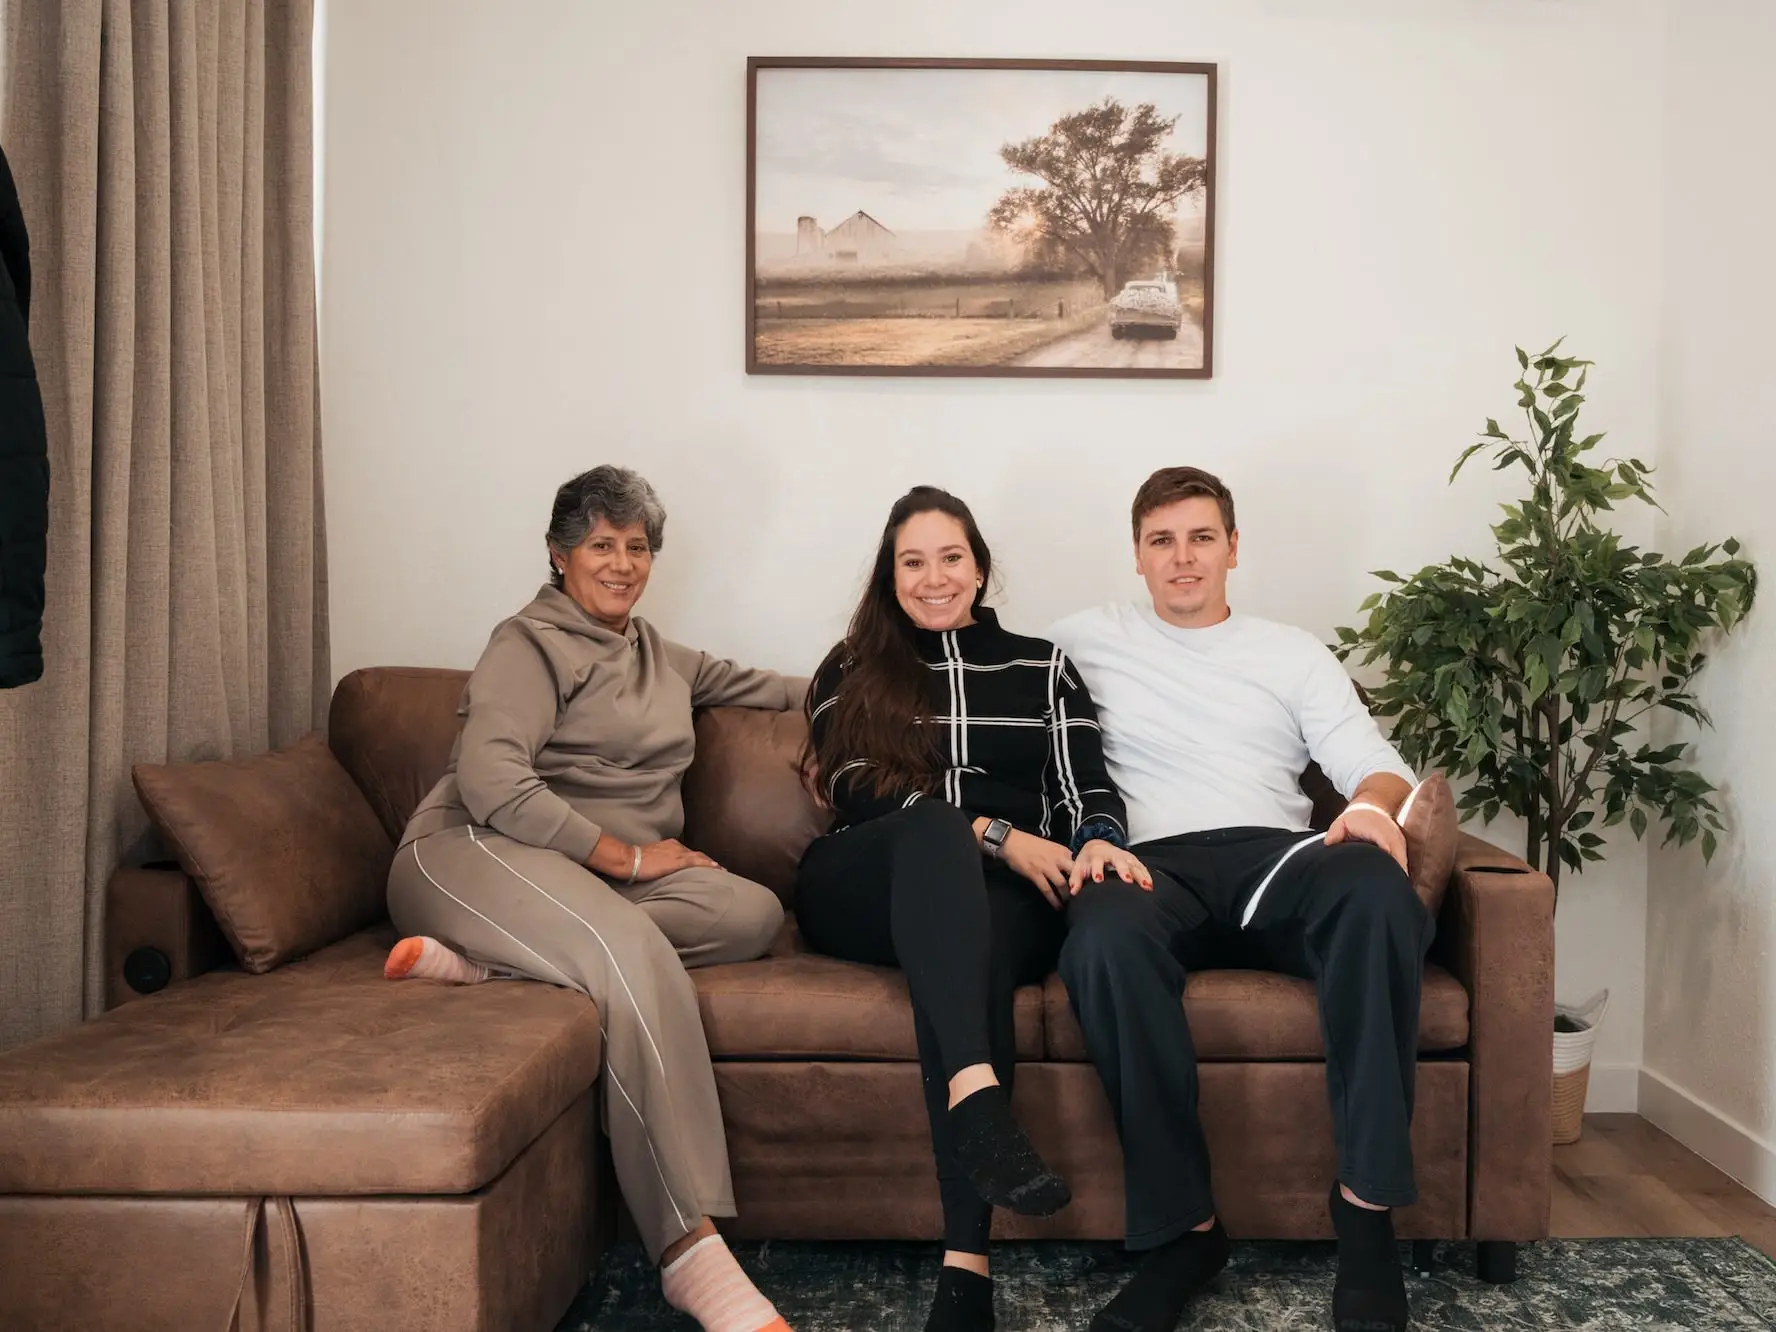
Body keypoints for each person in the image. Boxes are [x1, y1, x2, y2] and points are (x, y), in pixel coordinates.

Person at [386, 465, 799, 1332]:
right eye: (601, 545)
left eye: (637, 546)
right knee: (625, 945)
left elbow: (783, 690)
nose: (621, 563)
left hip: (575, 887)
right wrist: (632, 860)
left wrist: (901, 680)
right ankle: (689, 1247)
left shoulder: (663, 657)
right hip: (470, 851)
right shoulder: (527, 644)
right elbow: (491, 778)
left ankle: (491, 965)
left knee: (751, 911)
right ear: (558, 554)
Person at [1047, 466, 1433, 1332]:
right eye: (1162, 541)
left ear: (1232, 548)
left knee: (1376, 892)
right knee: (1100, 939)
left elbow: (1373, 764)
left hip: (1275, 860)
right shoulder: (1081, 640)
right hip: (1148, 869)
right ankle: (1183, 1233)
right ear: (1137, 558)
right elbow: (979, 683)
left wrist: (1371, 808)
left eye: (1201, 538)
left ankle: (1367, 1216)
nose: (1183, 559)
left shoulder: (1292, 651)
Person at [797, 486, 1150, 1332]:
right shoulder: (849, 666)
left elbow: (1085, 786)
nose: (933, 578)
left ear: (980, 566)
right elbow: (856, 789)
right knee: (931, 833)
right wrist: (993, 832)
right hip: (868, 881)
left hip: (994, 905)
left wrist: (1099, 836)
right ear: (890, 576)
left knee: (976, 946)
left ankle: (967, 1268)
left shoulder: (1040, 666)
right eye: (911, 562)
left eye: (950, 557)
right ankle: (977, 1096)